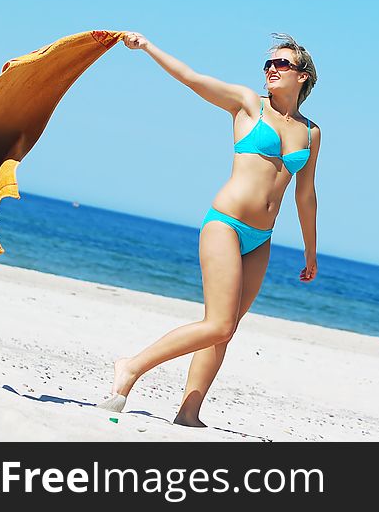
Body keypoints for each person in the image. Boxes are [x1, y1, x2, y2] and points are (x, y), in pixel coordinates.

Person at [96, 31, 321, 427]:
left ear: (302, 76)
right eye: (268, 64)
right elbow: (191, 77)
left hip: (262, 238)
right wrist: (147, 47)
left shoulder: (310, 132)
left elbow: (306, 196)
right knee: (217, 322)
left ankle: (189, 413)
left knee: (225, 331)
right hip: (226, 224)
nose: (271, 69)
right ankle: (130, 367)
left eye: (281, 63)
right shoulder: (248, 105)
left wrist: (310, 251)